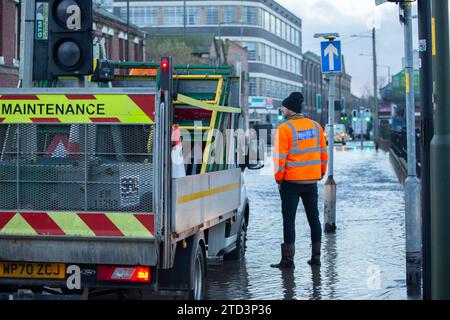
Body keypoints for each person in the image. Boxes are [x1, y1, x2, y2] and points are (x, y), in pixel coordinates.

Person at [271, 92, 328, 269]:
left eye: (283, 107)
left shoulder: (285, 129)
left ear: (289, 110)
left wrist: (279, 180)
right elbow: (323, 155)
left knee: (289, 220)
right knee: (314, 219)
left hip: (291, 183)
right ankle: (316, 258)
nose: (281, 110)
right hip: (311, 182)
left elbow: (280, 159)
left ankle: (288, 260)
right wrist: (319, 174)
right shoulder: (316, 126)